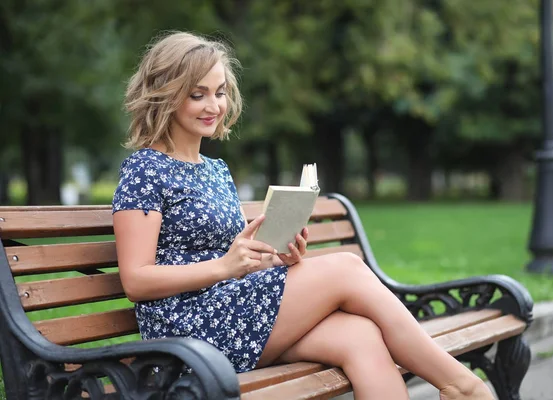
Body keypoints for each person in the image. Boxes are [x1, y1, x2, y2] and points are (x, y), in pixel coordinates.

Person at [112, 31, 495, 400]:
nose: (214, 106)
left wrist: (273, 259)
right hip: (188, 336)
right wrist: (225, 268)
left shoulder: (215, 170)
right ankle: (461, 385)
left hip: (233, 312)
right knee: (346, 267)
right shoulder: (145, 169)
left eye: (220, 92)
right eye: (198, 95)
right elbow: (136, 280)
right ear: (166, 95)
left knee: (361, 337)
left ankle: (459, 387)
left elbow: (231, 260)